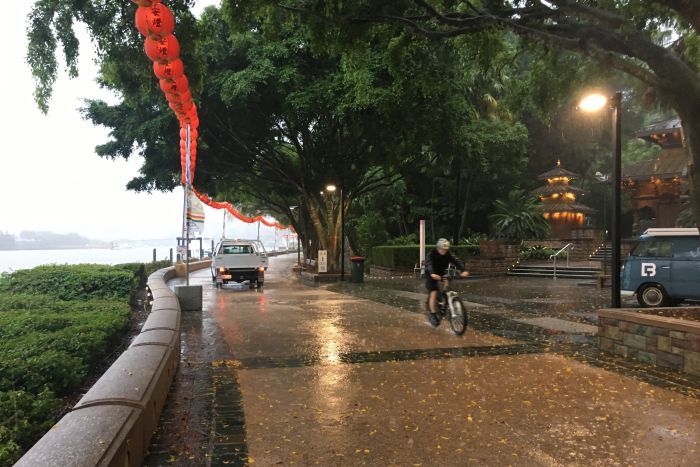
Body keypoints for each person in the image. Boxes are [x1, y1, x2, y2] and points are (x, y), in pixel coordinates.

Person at [425, 238, 469, 326]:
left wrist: (463, 270)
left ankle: (445, 299)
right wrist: (432, 273)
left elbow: (456, 260)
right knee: (433, 292)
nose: (444, 251)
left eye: (446, 249)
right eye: (442, 249)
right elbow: (429, 264)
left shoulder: (448, 254)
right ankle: (433, 314)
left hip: (441, 273)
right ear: (438, 248)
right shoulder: (431, 254)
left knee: (447, 282)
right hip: (431, 273)